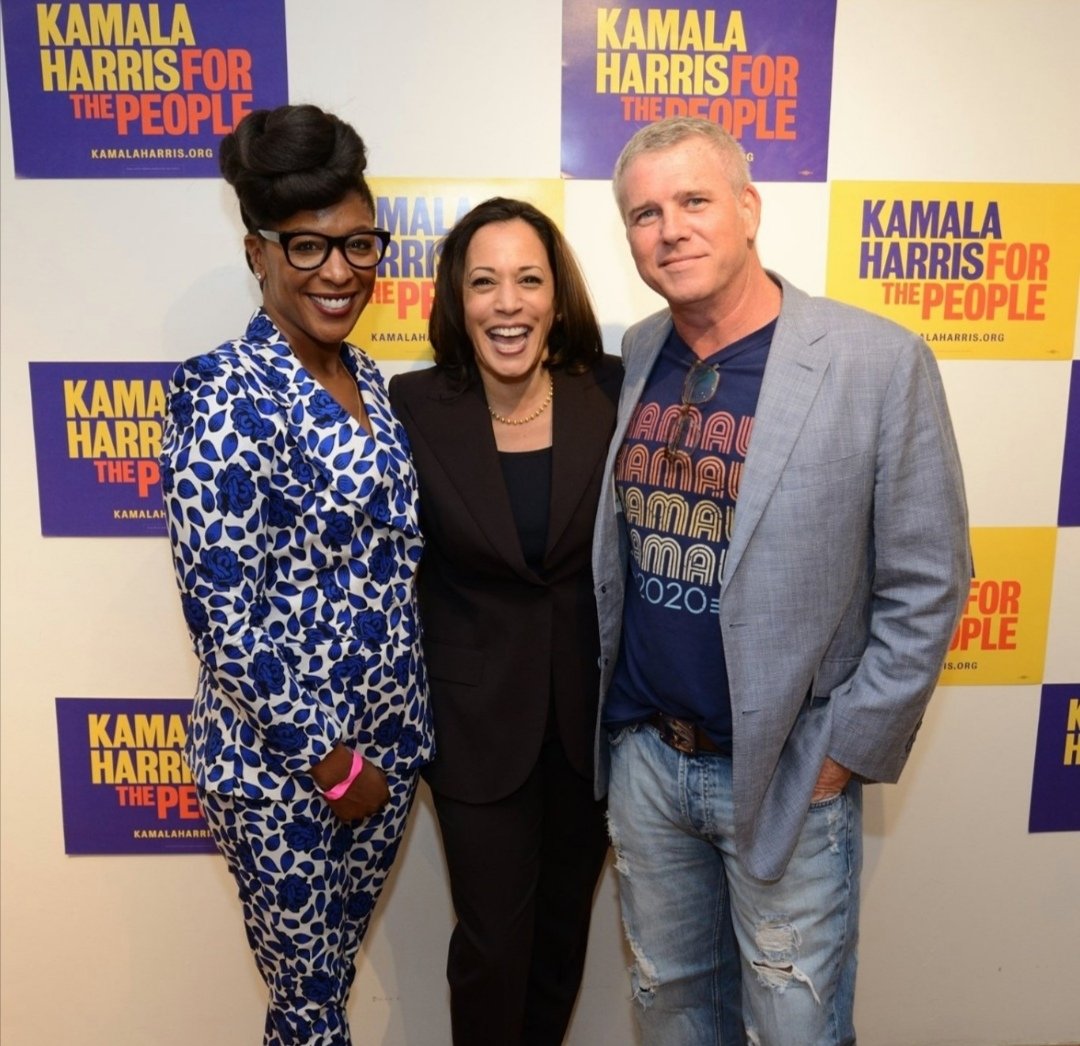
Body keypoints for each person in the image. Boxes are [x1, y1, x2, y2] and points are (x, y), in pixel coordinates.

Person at [592, 116, 971, 1045]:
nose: (669, 230)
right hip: (648, 765)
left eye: (693, 201)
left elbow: (930, 580)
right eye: (644, 214)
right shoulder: (639, 352)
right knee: (673, 1016)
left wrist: (844, 750)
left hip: (787, 771)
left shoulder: (876, 361)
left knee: (792, 1029)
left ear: (749, 209)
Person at [160, 104, 433, 1046]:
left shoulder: (370, 381)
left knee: (318, 995)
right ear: (258, 252)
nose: (339, 271)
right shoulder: (222, 391)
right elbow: (220, 612)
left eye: (359, 244)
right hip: (286, 774)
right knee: (312, 1012)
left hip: (383, 758)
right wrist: (330, 761)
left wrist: (383, 754)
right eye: (308, 247)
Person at [388, 197, 621, 1045]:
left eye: (529, 280)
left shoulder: (612, 389)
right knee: (492, 944)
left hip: (588, 727)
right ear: (458, 298)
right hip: (474, 726)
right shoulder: (412, 404)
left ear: (558, 296)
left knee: (561, 943)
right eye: (484, 282)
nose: (508, 303)